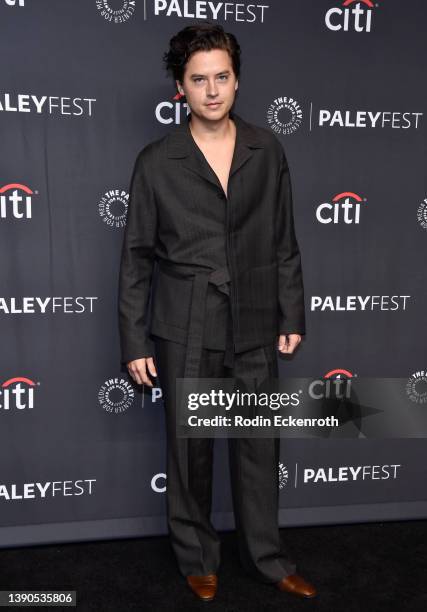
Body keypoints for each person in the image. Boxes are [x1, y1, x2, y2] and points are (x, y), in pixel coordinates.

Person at [118, 23, 316, 602]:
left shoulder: (267, 147)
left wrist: (292, 314)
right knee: (190, 450)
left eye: (221, 77)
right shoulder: (157, 160)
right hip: (186, 322)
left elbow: (284, 240)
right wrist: (134, 341)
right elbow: (135, 256)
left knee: (259, 448)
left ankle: (268, 559)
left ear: (236, 80)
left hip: (255, 318)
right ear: (179, 87)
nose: (212, 91)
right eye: (198, 80)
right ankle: (197, 557)